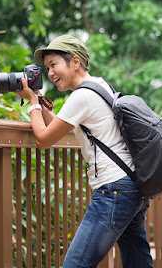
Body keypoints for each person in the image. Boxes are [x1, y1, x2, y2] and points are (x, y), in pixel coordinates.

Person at [16, 34, 153, 268]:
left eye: (54, 65)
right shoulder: (99, 85)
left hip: (114, 191)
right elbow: (58, 125)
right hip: (132, 185)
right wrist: (39, 98)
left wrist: (32, 103)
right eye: (47, 68)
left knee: (75, 265)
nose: (49, 73)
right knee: (138, 263)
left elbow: (43, 140)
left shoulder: (82, 96)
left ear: (75, 62)